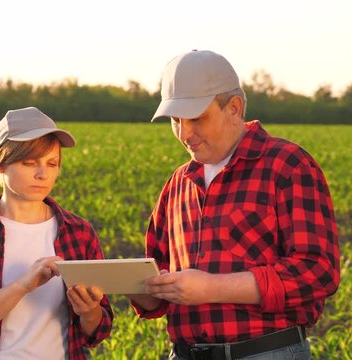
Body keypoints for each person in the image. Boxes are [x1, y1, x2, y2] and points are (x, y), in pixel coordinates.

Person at [130, 50, 340, 359]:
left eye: (196, 118)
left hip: (266, 352)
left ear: (234, 108)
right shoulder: (178, 182)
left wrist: (212, 288)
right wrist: (144, 289)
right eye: (175, 121)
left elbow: (317, 271)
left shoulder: (287, 165)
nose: (185, 133)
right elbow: (159, 270)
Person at [0, 107, 113, 359]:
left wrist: (89, 311)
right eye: (29, 163)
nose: (42, 174)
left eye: (52, 164)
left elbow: (99, 330)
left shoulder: (79, 232)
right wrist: (22, 286)